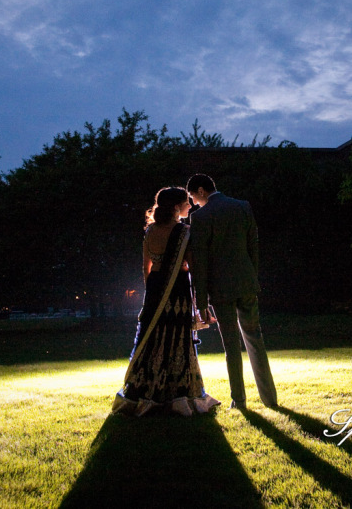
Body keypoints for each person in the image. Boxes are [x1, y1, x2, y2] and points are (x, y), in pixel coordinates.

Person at [112, 187, 221, 416]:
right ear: (176, 208)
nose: (190, 206)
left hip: (154, 289)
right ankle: (178, 393)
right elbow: (191, 265)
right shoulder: (183, 232)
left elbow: (146, 266)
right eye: (186, 203)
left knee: (152, 337)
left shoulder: (150, 231)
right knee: (177, 338)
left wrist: (153, 289)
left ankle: (144, 390)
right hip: (177, 289)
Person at [186, 174, 278, 410]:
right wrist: (251, 276)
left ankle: (239, 400)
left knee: (231, 346)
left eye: (193, 196)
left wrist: (201, 299)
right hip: (246, 282)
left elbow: (200, 261)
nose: (193, 202)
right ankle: (270, 398)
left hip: (220, 288)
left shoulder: (201, 217)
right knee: (255, 339)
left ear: (201, 190)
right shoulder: (242, 207)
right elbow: (253, 246)